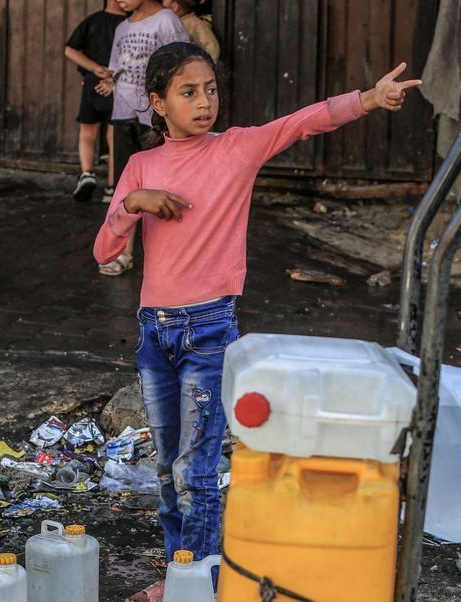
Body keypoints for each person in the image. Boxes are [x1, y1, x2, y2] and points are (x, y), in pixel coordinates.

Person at [93, 42, 420, 582]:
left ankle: (196, 579)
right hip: (155, 335)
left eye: (211, 90)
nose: (204, 103)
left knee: (195, 471)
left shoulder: (236, 149)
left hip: (210, 330)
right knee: (166, 468)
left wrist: (369, 98)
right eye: (189, 93)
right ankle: (182, 574)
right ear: (158, 102)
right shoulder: (140, 167)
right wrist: (133, 204)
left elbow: (304, 122)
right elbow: (105, 252)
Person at [94, 0, 187, 276]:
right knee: (125, 184)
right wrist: (109, 82)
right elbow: (116, 68)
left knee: (165, 183)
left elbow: (182, 65)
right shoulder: (122, 28)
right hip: (124, 113)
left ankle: (174, 255)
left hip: (156, 117)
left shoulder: (167, 20)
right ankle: (123, 252)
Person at [65, 1, 126, 202]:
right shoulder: (130, 23)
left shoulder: (92, 21)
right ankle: (111, 186)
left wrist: (93, 68)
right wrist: (112, 78)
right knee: (113, 137)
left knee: (87, 132)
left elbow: (70, 50)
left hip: (92, 83)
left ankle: (87, 173)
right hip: (118, 85)